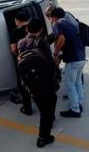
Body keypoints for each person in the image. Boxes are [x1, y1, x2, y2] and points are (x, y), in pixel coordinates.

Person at [17, 19, 58, 148]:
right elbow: (49, 63)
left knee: (43, 106)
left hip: (32, 84)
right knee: (48, 109)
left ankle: (48, 119)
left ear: (26, 29)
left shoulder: (21, 43)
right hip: (45, 82)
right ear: (40, 29)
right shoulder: (42, 43)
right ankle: (43, 138)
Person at [50, 7, 86, 118]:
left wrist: (55, 53)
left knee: (70, 85)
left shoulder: (58, 24)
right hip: (81, 57)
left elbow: (61, 39)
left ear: (54, 17)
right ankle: (79, 104)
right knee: (78, 82)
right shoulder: (71, 24)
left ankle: (74, 110)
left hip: (73, 59)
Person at [9, 10, 32, 115]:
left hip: (23, 60)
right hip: (35, 58)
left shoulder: (15, 32)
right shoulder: (33, 27)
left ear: (17, 20)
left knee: (23, 84)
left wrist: (17, 56)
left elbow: (13, 48)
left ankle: (27, 108)